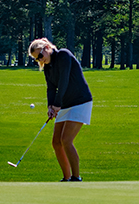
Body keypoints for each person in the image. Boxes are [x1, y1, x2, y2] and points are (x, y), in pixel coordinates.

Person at [29, 38, 93, 182]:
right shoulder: (47, 67)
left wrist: (57, 104)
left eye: (40, 55)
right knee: (56, 142)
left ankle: (76, 178)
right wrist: (50, 106)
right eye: (36, 59)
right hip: (64, 103)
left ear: (46, 47)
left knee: (66, 140)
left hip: (80, 101)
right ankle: (66, 178)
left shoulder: (64, 55)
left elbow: (64, 81)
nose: (40, 59)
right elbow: (51, 88)